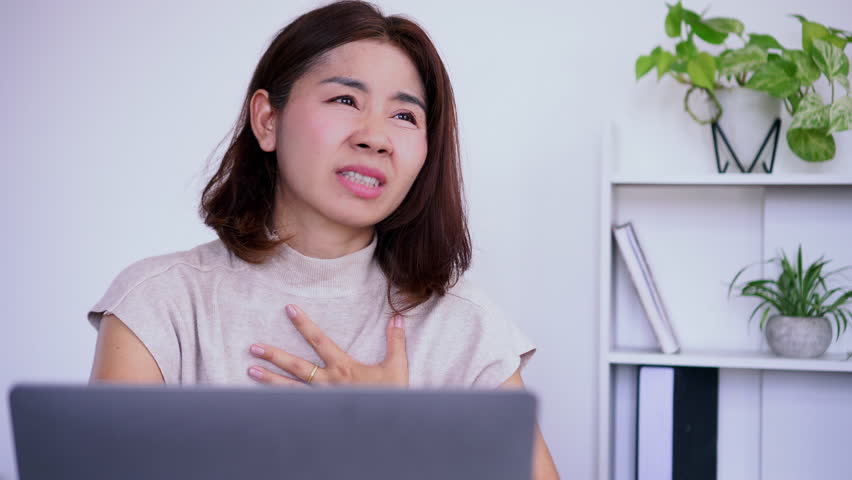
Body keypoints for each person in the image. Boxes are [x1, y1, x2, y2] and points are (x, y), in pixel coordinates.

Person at [87, 1, 558, 478]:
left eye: (404, 116)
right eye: (345, 100)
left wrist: (394, 438)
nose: (376, 138)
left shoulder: (465, 327)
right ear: (268, 120)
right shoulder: (160, 303)